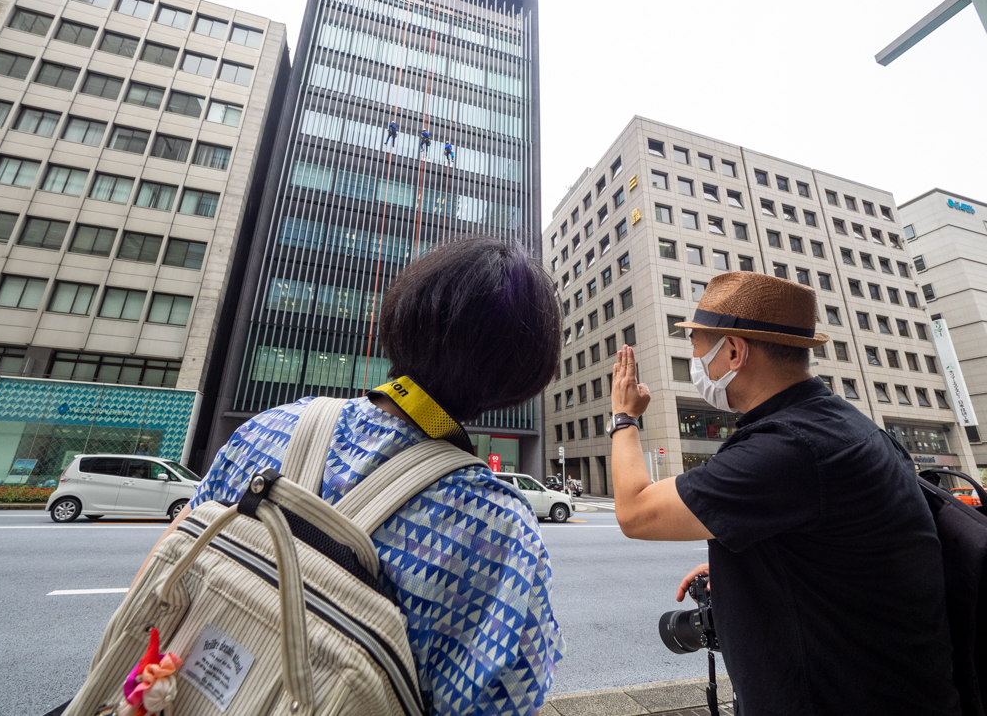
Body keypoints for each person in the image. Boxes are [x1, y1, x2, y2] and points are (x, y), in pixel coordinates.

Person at [132, 236, 565, 716]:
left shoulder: (270, 426)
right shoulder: (497, 528)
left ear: (405, 317)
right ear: (519, 378)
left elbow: (160, 577)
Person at [608, 271, 960, 716]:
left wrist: (623, 418)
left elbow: (635, 512)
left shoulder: (790, 448)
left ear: (733, 351)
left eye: (696, 344)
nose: (694, 357)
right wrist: (757, 562)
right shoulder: (840, 424)